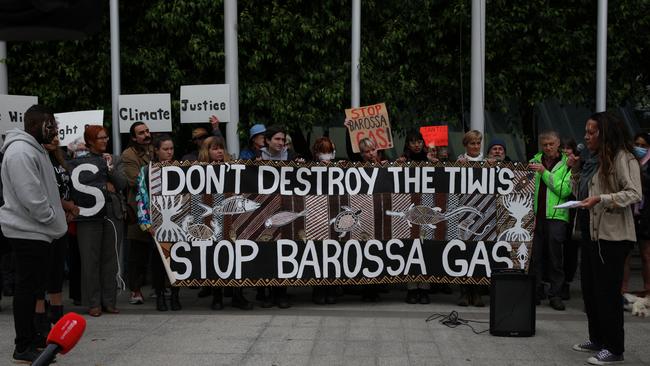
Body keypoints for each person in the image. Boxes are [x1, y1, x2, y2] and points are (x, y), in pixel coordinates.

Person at [569, 112, 641, 365]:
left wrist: (602, 199)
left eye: (591, 132)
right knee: (590, 291)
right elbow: (579, 190)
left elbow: (633, 193)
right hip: (591, 233)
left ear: (605, 133)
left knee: (607, 293)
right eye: (586, 132)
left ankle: (614, 348)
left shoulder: (624, 158)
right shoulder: (594, 160)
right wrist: (576, 171)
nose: (586, 137)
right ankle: (597, 339)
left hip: (613, 236)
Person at [0, 104, 67, 363]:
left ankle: (35, 340)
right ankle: (23, 345)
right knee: (27, 290)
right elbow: (32, 197)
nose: (55, 130)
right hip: (29, 231)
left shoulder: (32, 149)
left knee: (34, 289)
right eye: (51, 124)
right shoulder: (20, 152)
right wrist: (50, 219)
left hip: (38, 232)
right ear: (37, 124)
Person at [70, 126, 127, 317]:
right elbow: (79, 186)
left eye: (106, 137)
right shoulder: (79, 163)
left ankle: (109, 301)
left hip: (112, 213)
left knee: (110, 259)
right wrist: (103, 186)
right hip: (89, 214)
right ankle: (93, 302)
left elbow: (122, 184)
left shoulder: (115, 159)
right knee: (90, 259)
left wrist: (109, 168)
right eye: (100, 138)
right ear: (90, 142)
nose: (104, 141)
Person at [33, 134, 80, 346]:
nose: (54, 139)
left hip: (63, 220)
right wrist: (66, 206)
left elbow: (68, 186)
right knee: (41, 272)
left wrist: (71, 208)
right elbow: (43, 193)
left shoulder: (60, 160)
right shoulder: (38, 159)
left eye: (56, 137)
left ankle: (58, 318)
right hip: (46, 223)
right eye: (50, 136)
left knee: (57, 272)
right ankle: (40, 322)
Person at [197, 136, 253, 310]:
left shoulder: (233, 168)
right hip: (212, 219)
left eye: (221, 148)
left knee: (236, 255)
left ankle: (238, 295)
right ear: (207, 151)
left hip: (232, 218)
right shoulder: (199, 169)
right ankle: (217, 296)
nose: (219, 151)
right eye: (214, 148)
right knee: (215, 256)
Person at [136, 134, 182, 311]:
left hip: (178, 222)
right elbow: (141, 197)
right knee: (158, 262)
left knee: (177, 259)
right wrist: (146, 223)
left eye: (171, 149)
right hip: (156, 224)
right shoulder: (146, 170)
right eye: (165, 149)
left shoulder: (181, 169)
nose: (169, 152)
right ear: (156, 150)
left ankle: (176, 295)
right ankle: (160, 296)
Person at [529, 131, 571, 311]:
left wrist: (544, 173)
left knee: (555, 258)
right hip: (535, 217)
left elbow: (565, 190)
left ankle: (556, 294)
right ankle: (536, 291)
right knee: (535, 256)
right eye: (544, 144)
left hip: (556, 216)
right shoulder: (533, 161)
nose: (548, 147)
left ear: (558, 143)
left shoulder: (567, 163)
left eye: (551, 144)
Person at [121, 122, 153, 305]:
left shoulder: (155, 150)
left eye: (147, 131)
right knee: (137, 253)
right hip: (139, 208)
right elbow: (135, 180)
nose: (146, 135)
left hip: (159, 207)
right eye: (141, 133)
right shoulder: (129, 154)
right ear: (133, 137)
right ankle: (135, 290)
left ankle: (160, 287)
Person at [456, 130, 486, 307]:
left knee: (480, 252)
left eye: (478, 143)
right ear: (466, 145)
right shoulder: (459, 162)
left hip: (483, 214)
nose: (475, 146)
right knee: (464, 252)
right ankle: (464, 292)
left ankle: (477, 292)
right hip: (463, 214)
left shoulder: (487, 163)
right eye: (472, 143)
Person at [622, 132, 650, 296]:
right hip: (630, 212)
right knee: (626, 253)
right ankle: (623, 288)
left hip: (646, 214)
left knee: (646, 254)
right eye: (637, 144)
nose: (639, 148)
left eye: (644, 145)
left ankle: (647, 289)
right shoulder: (629, 161)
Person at [560, 137, 579, 300]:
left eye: (569, 148)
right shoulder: (559, 165)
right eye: (563, 148)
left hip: (573, 215)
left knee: (570, 251)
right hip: (558, 213)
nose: (566, 152)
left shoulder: (578, 165)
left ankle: (566, 283)